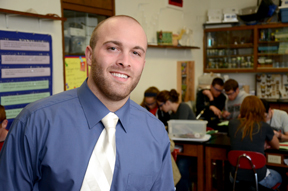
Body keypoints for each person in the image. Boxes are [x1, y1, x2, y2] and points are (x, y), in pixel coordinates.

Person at [0, 15, 174, 190]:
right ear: (89, 56)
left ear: (143, 64)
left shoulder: (155, 134)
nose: (125, 62)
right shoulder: (36, 121)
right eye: (113, 48)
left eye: (135, 53)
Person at [228, 96, 282, 190]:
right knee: (280, 176)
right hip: (258, 177)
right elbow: (277, 146)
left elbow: (238, 140)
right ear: (260, 109)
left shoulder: (232, 124)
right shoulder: (264, 126)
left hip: (235, 176)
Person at [156, 89, 196, 191]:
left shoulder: (183, 107)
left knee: (181, 166)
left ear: (168, 102)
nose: (160, 108)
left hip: (193, 148)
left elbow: (179, 126)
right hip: (182, 148)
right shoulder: (173, 114)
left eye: (161, 105)